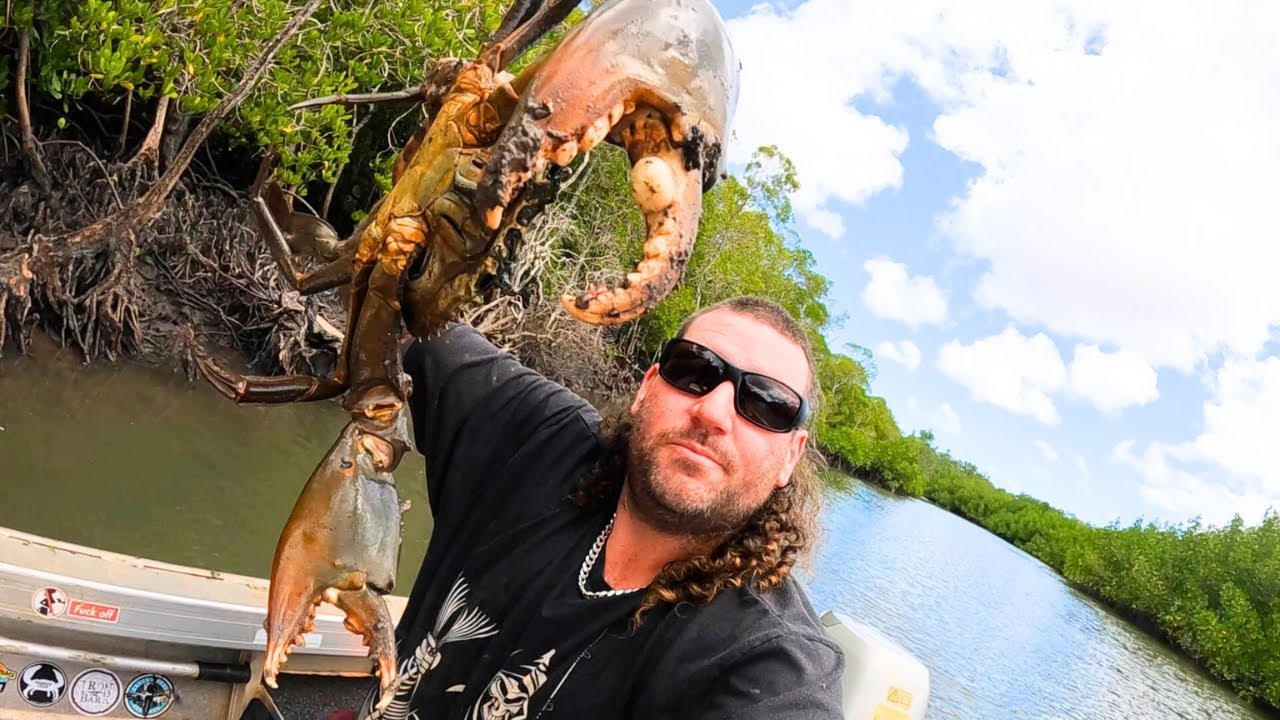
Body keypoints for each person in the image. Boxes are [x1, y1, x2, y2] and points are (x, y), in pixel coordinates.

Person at [357, 295, 844, 719]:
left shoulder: (769, 661)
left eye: (766, 405)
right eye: (694, 370)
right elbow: (398, 304)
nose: (713, 412)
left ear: (791, 456)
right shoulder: (538, 439)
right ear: (646, 388)